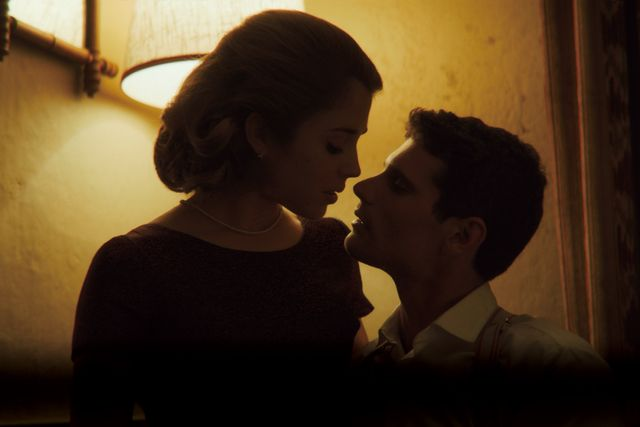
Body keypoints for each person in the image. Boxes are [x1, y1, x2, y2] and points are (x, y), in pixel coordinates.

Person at [71, 9, 382, 426]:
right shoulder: (132, 267)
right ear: (261, 134)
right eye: (335, 145)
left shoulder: (330, 246)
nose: (354, 167)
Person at [344, 108, 621, 426]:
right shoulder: (366, 364)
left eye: (398, 184)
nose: (362, 187)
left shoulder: (553, 369)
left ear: (461, 236)